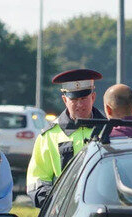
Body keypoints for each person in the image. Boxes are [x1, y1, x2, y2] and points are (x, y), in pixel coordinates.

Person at [26, 68, 105, 208]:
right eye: (74, 99)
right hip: (62, 213)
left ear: (93, 97)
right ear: (64, 100)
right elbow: (37, 180)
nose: (80, 105)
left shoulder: (109, 130)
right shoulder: (49, 136)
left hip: (101, 208)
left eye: (84, 98)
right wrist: (56, 204)